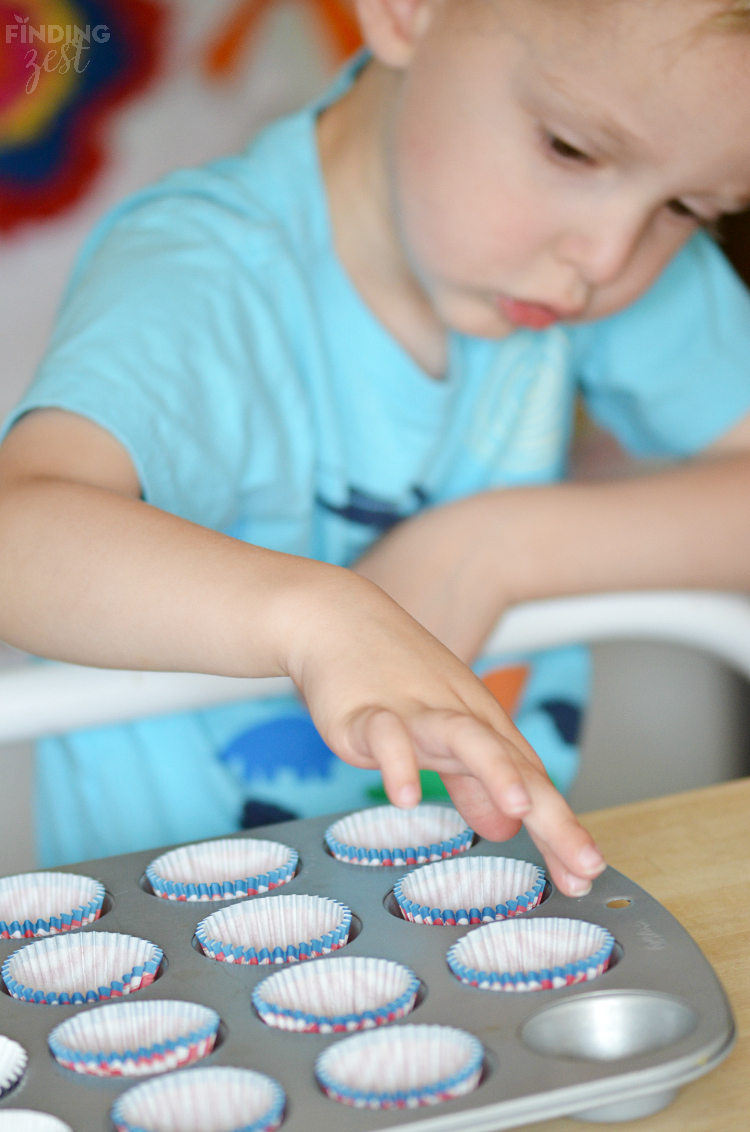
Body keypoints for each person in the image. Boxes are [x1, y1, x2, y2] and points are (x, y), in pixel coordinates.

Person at [1, 0, 750, 891]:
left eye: (686, 207)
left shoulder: (582, 275)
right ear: (404, 10)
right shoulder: (201, 270)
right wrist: (322, 622)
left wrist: (496, 547)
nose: (607, 258)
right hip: (170, 950)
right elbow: (18, 535)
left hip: (477, 911)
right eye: (572, 150)